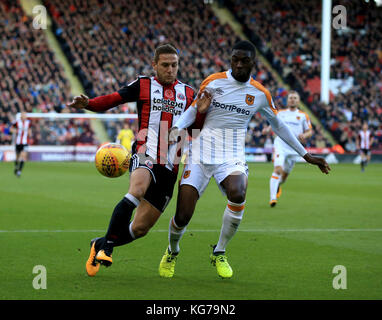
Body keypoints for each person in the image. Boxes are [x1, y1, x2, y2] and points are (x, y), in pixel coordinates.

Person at [158, 40, 330, 279]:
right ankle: (172, 251)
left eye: (244, 60)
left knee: (238, 192)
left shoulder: (260, 94)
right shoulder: (213, 81)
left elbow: (279, 126)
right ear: (230, 60)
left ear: (253, 62)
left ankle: (219, 251)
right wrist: (176, 128)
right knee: (183, 214)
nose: (238, 64)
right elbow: (193, 110)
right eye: (235, 59)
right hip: (200, 154)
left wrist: (306, 155)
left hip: (232, 156)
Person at [67, 44, 196, 277]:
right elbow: (112, 99)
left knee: (140, 228)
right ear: (154, 65)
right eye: (165, 65)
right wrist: (88, 104)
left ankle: (100, 243)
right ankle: (107, 249)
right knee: (136, 190)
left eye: (174, 65)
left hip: (171, 164)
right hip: (145, 150)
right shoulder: (143, 85)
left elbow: (199, 123)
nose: (170, 69)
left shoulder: (188, 94)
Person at [262, 91, 313, 207]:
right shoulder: (280, 113)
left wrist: (304, 135)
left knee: (284, 177)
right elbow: (273, 125)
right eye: (290, 98)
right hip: (280, 144)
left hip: (295, 148)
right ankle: (272, 198)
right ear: (287, 100)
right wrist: (267, 130)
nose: (292, 100)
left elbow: (310, 131)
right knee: (278, 169)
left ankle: (278, 184)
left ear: (298, 101)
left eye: (295, 98)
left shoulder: (303, 115)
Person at [11, 112, 31, 177]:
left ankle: (19, 171)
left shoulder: (28, 123)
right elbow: (11, 129)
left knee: (23, 156)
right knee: (17, 157)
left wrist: (30, 134)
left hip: (25, 142)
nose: (24, 116)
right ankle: (16, 166)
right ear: (21, 116)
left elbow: (30, 131)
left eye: (25, 115)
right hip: (18, 142)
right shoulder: (17, 122)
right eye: (23, 115)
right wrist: (15, 131)